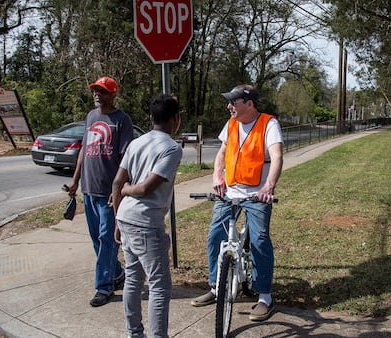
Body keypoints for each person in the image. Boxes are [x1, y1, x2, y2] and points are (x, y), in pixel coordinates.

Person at [191, 84, 283, 322]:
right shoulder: (231, 123)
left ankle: (264, 297)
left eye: (234, 102)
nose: (229, 106)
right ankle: (216, 287)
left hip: (256, 194)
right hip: (230, 191)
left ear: (250, 104)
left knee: (260, 240)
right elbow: (222, 152)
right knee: (215, 236)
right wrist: (216, 176)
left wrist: (268, 187)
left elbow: (277, 157)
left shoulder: (268, 124)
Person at [111, 94, 182, 338]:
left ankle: (134, 334)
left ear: (151, 118)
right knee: (160, 287)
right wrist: (129, 190)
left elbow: (117, 182)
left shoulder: (136, 143)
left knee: (133, 278)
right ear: (176, 119)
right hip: (146, 223)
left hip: (126, 218)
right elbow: (144, 188)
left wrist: (117, 219)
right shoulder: (172, 148)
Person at [66, 76, 134, 307]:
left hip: (108, 194)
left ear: (113, 94)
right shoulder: (90, 117)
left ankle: (104, 287)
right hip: (89, 190)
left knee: (107, 240)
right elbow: (84, 150)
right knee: (97, 239)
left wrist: (118, 191)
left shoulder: (121, 120)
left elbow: (125, 158)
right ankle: (116, 273)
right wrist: (75, 181)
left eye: (102, 91)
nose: (97, 94)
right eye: (95, 90)